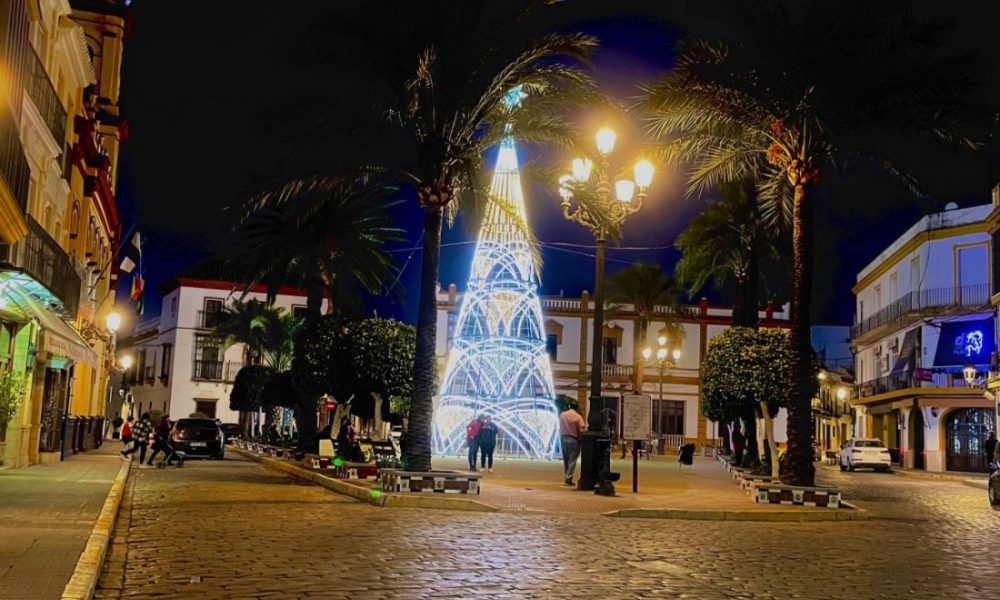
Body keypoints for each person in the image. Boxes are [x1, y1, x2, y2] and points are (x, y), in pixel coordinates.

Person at [559, 403, 586, 486]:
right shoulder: (578, 417)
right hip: (573, 439)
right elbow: (581, 430)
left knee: (566, 459)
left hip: (563, 439)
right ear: (577, 408)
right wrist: (580, 439)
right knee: (572, 460)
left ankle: (567, 477)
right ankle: (568, 479)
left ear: (569, 406)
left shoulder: (562, 415)